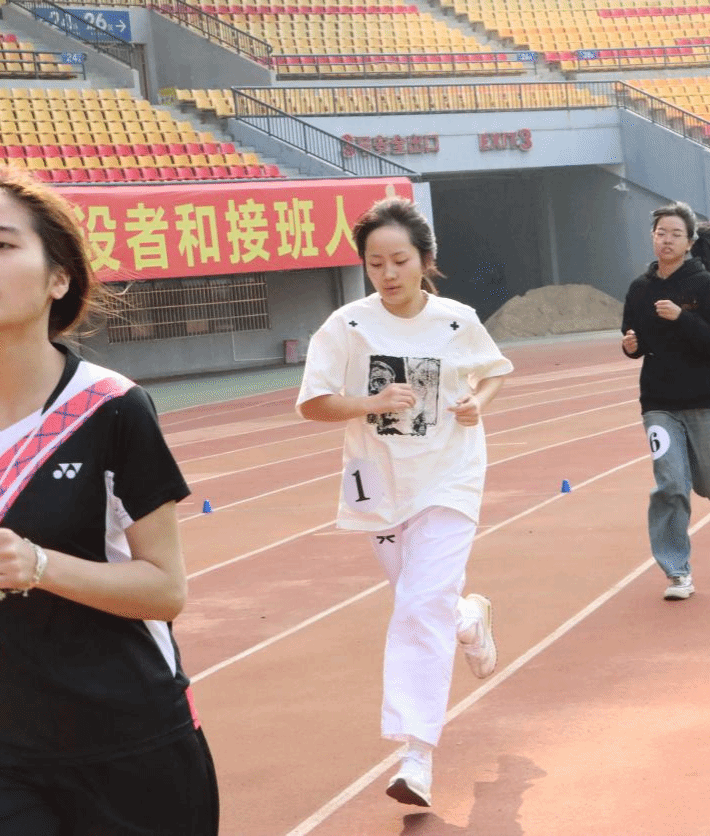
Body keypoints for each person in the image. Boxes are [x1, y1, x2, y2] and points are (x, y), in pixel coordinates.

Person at [0, 171, 219, 835]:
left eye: (1, 245)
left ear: (58, 279)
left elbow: (165, 590)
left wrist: (40, 566)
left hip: (136, 737)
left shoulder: (114, 408)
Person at [296, 196, 512, 808]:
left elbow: (495, 370)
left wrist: (476, 404)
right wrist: (370, 403)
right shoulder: (348, 326)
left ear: (425, 260)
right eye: (375, 264)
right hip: (380, 483)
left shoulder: (456, 321)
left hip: (450, 476)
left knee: (417, 606)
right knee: (423, 601)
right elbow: (312, 404)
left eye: (399, 261)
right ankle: (468, 618)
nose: (388, 274)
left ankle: (415, 757)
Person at [620, 202, 710, 603]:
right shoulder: (640, 289)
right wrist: (630, 346)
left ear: (690, 242)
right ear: (652, 237)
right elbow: (632, 339)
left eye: (675, 234)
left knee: (709, 481)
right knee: (671, 484)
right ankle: (677, 571)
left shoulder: (703, 286)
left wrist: (682, 317)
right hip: (658, 402)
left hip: (704, 397)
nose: (667, 240)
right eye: (661, 233)